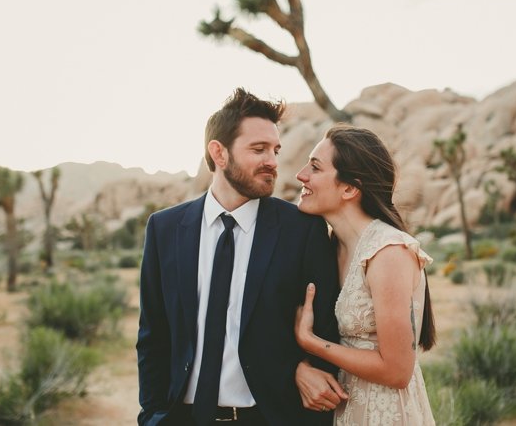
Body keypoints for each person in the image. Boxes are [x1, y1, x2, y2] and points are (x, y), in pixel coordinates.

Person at [137, 89, 345, 426]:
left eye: (275, 150)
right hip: (182, 417)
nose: (273, 162)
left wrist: (302, 371)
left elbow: (324, 329)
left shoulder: (301, 229)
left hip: (267, 417)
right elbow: (153, 336)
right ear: (219, 153)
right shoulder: (165, 229)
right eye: (258, 149)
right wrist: (151, 416)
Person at [295, 127, 436, 426]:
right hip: (345, 411)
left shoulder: (388, 252)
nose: (301, 175)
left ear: (349, 188)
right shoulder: (331, 248)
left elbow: (397, 371)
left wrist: (311, 342)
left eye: (315, 167)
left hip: (386, 415)